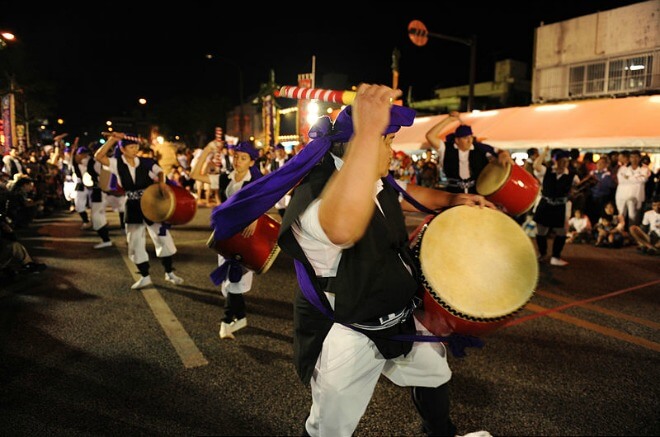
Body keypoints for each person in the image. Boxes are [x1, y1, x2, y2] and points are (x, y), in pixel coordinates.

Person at [276, 85, 494, 436]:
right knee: (330, 425)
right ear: (357, 144)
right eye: (386, 140)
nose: (392, 151)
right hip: (349, 328)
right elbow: (342, 228)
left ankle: (439, 433)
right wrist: (367, 132)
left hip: (398, 312)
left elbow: (406, 193)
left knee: (434, 372)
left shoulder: (374, 181)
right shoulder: (314, 197)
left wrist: (455, 199)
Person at [94, 132, 184, 290]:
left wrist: (162, 183)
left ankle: (169, 272)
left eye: (136, 146)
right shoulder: (116, 164)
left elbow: (160, 171)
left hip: (151, 203)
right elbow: (99, 156)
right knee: (135, 241)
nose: (135, 149)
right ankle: (144, 276)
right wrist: (112, 140)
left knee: (162, 238)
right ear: (123, 149)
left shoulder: (146, 162)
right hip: (133, 206)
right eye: (131, 147)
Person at [192, 140, 262, 339]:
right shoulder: (225, 178)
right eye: (236, 156)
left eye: (243, 158)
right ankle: (240, 317)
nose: (238, 161)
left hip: (246, 237)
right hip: (225, 234)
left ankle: (226, 320)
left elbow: (268, 199)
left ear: (252, 162)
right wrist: (206, 150)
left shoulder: (257, 181)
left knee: (235, 277)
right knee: (229, 281)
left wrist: (256, 217)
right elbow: (195, 175)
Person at [425, 110, 512, 194]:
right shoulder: (446, 148)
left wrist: (504, 154)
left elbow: (500, 151)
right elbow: (430, 136)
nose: (469, 140)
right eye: (465, 138)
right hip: (454, 193)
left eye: (470, 137)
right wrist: (448, 120)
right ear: (457, 140)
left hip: (476, 193)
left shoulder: (480, 148)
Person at [532, 147, 580, 266]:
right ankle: (542, 254)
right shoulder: (546, 171)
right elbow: (536, 165)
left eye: (566, 161)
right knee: (541, 231)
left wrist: (573, 193)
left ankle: (555, 257)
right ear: (556, 161)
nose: (564, 164)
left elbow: (577, 187)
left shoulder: (572, 176)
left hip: (560, 206)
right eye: (562, 161)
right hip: (545, 204)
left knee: (561, 232)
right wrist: (544, 153)